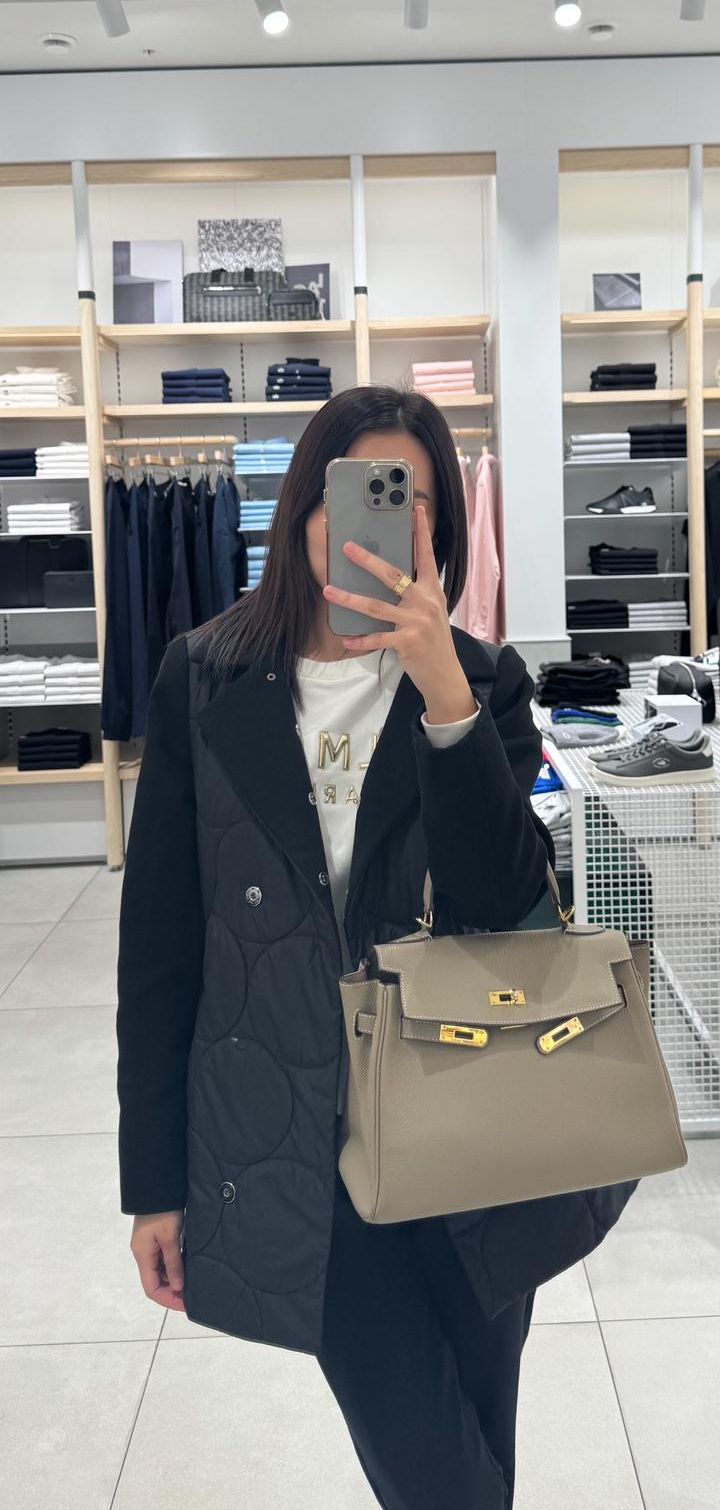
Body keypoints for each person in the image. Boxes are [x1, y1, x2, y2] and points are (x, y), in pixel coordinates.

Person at [116, 384, 639, 1510]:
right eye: (353, 491)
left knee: (477, 1436)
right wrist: (154, 1184)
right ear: (305, 507)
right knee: (431, 1463)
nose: (376, 521)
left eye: (413, 500)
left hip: (479, 1122)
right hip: (304, 1136)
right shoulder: (202, 677)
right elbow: (157, 949)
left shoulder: (482, 678)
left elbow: (511, 910)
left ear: (439, 528)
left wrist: (446, 694)